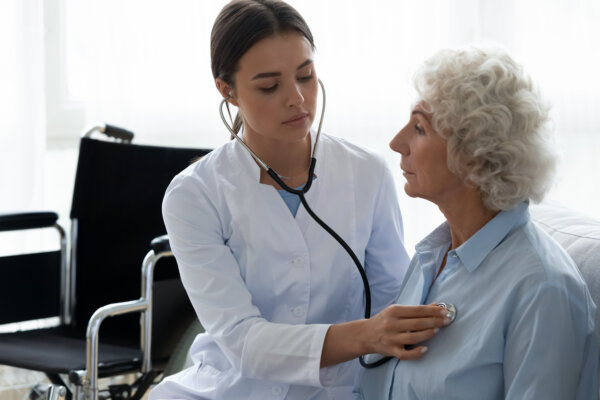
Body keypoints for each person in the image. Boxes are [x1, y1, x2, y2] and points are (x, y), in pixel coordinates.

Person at [149, 1, 449, 399]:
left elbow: (391, 300)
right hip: (229, 389)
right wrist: (366, 335)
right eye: (269, 86)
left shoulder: (367, 174)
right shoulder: (194, 194)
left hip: (341, 390)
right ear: (228, 91)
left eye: (305, 76)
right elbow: (241, 341)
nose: (297, 99)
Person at [355, 47, 599, 399]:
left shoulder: (543, 289)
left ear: (474, 156)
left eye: (419, 128)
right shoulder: (430, 257)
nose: (396, 143)